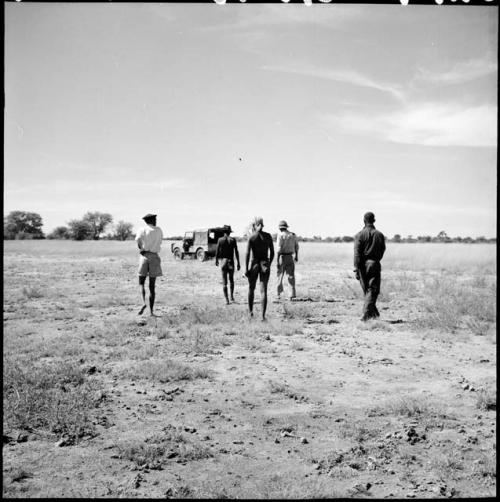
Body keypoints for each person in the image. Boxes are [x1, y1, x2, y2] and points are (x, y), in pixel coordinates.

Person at [353, 211, 386, 321]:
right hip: (375, 263)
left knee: (368, 290)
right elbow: (382, 250)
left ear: (364, 221)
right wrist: (375, 260)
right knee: (372, 290)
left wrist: (356, 268)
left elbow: (357, 253)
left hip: (362, 265)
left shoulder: (359, 235)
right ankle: (368, 314)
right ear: (374, 220)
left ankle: (372, 314)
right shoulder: (379, 234)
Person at [245, 216, 274, 320]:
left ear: (254, 225)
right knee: (263, 291)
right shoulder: (268, 236)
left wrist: (246, 268)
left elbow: (247, 254)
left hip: (254, 263)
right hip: (265, 263)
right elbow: (272, 252)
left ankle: (251, 313)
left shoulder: (252, 237)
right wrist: (269, 263)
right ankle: (262, 316)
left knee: (251, 288)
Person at [135, 213, 164, 316]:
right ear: (152, 220)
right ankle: (151, 312)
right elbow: (160, 242)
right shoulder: (159, 230)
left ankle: (143, 303)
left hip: (144, 256)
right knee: (152, 286)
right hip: (154, 257)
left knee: (141, 283)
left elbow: (138, 241)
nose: (156, 221)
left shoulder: (141, 229)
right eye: (155, 219)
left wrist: (141, 248)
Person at [215, 225, 240, 305]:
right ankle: (232, 296)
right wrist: (238, 262)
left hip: (223, 261)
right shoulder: (233, 240)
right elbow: (236, 251)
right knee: (231, 280)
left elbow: (217, 251)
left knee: (224, 282)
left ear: (223, 232)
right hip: (231, 262)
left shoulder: (220, 240)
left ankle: (227, 300)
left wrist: (216, 260)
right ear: (229, 232)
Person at [276, 220, 299, 300]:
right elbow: (296, 247)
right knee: (291, 276)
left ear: (280, 228)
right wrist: (296, 256)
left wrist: (277, 260)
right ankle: (292, 294)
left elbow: (278, 249)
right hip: (290, 257)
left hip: (282, 257)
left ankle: (279, 294)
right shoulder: (293, 235)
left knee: (279, 276)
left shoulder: (280, 235)